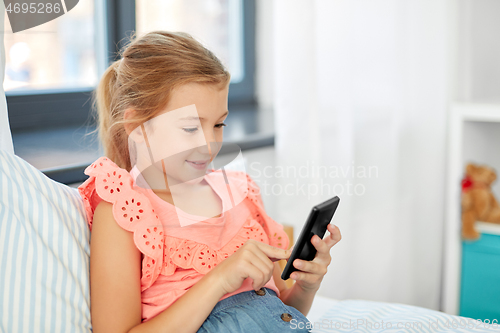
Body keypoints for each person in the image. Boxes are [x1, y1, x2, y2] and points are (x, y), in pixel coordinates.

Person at [78, 31, 342, 333]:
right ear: (138, 127)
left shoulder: (241, 195)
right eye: (191, 127)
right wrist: (218, 280)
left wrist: (307, 286)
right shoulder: (125, 214)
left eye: (219, 124)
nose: (209, 145)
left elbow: (281, 315)